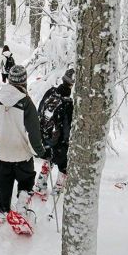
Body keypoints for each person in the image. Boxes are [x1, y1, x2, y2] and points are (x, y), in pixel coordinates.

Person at [0, 65, 45, 223]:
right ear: (24, 81)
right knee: (26, 182)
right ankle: (22, 209)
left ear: (9, 80)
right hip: (22, 156)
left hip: (2, 156)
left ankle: (2, 213)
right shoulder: (27, 104)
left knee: (3, 186)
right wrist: (41, 152)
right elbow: (33, 135)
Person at [33, 69, 75, 197]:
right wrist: (67, 141)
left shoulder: (51, 92)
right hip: (60, 140)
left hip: (45, 135)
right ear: (72, 84)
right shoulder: (67, 102)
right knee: (63, 164)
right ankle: (58, 189)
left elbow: (40, 109)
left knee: (48, 158)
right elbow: (67, 125)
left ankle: (40, 184)